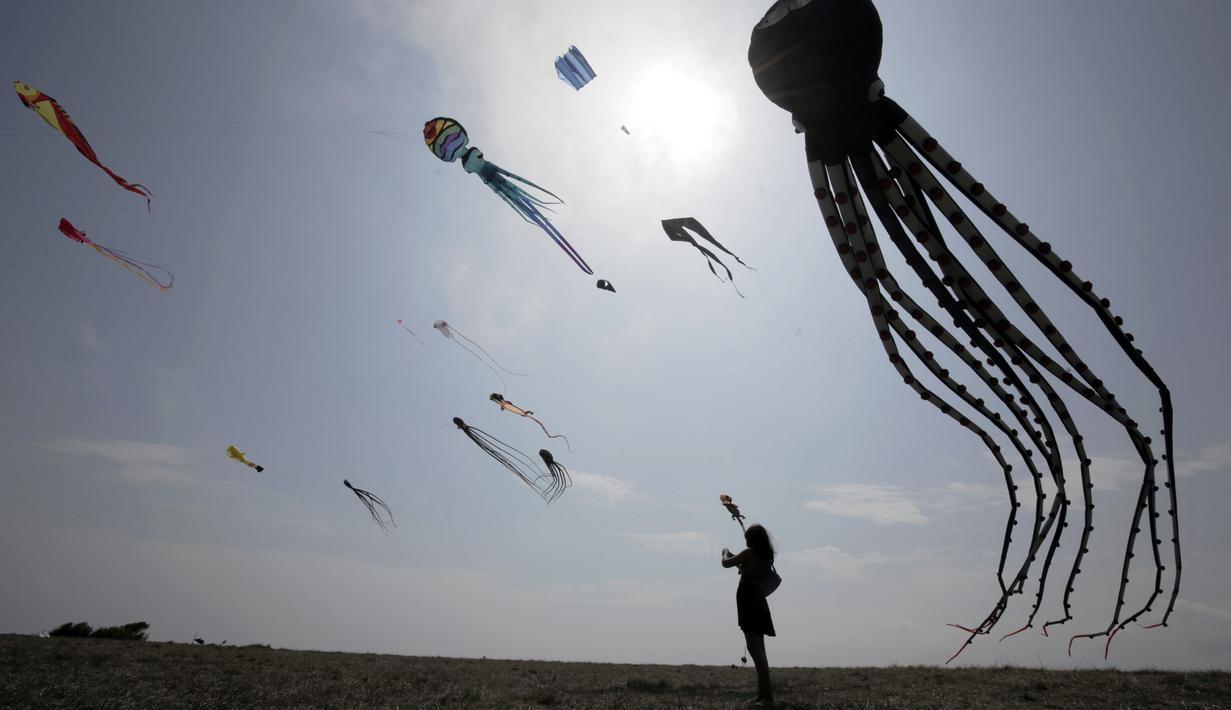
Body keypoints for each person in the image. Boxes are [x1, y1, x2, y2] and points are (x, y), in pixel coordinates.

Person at [722, 524, 776, 706]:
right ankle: (763, 695)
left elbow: (726, 563)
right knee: (760, 650)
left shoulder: (749, 552)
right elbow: (743, 564)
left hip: (749, 601)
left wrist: (725, 551)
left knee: (754, 650)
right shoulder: (765, 556)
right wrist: (738, 561)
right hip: (759, 601)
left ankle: (767, 698)